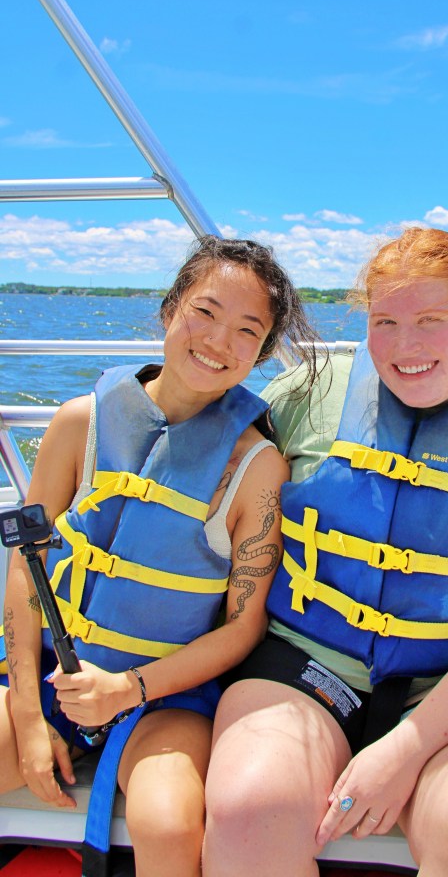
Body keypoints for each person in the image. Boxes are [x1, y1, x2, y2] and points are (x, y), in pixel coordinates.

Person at [202, 226, 448, 877]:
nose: (405, 347)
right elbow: (202, 475)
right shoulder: (308, 395)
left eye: (430, 320)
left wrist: (405, 749)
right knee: (249, 809)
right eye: (385, 322)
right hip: (310, 666)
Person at [0, 235, 320, 877]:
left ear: (262, 353)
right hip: (52, 677)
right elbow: (25, 568)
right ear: (170, 309)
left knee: (167, 821)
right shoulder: (79, 423)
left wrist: (128, 688)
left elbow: (243, 627)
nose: (219, 340)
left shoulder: (256, 468)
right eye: (205, 312)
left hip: (168, 697)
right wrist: (30, 714)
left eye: (247, 331)